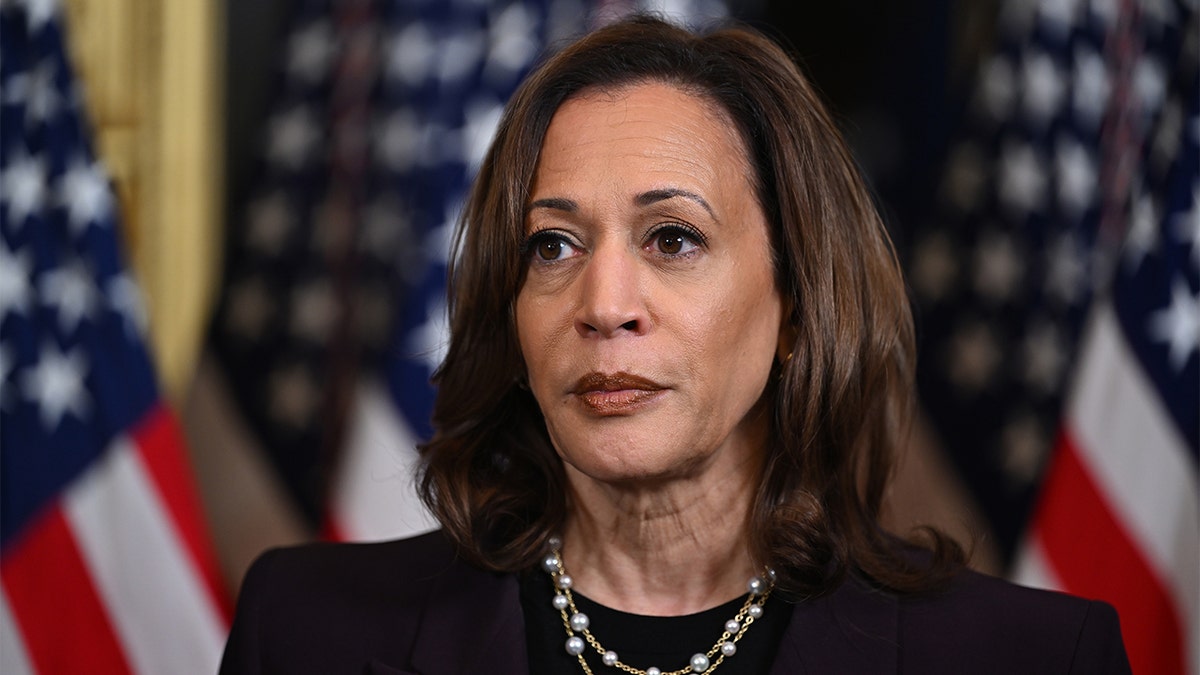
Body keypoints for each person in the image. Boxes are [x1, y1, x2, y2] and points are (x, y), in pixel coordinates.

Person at [219, 15, 1131, 675]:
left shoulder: (1037, 657)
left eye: (673, 239)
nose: (604, 304)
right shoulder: (304, 632)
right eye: (553, 246)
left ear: (800, 307)